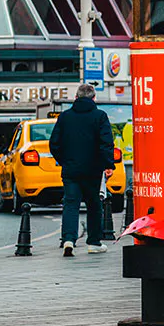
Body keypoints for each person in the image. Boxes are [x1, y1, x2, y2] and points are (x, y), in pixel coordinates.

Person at [49, 83, 115, 256]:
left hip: (71, 170)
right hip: (93, 170)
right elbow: (106, 143)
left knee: (71, 204)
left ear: (76, 98)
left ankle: (68, 240)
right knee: (94, 205)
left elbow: (54, 144)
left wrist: (64, 160)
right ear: (94, 98)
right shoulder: (100, 116)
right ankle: (94, 242)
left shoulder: (65, 117)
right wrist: (108, 164)